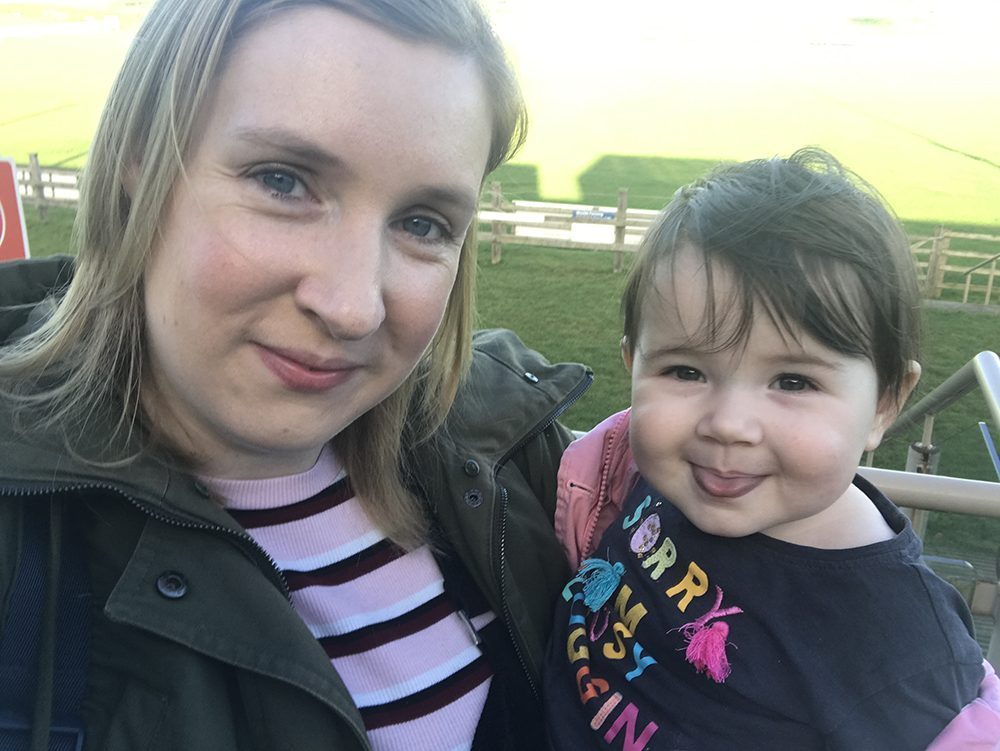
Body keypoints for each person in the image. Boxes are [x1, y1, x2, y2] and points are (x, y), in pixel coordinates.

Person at [0, 1, 592, 749]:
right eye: (283, 181)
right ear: (140, 160)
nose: (351, 307)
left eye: (422, 223)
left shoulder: (524, 462)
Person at [542, 149, 999, 749]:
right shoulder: (653, 466)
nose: (728, 426)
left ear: (886, 403)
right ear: (633, 363)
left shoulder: (907, 665)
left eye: (793, 382)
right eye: (684, 371)